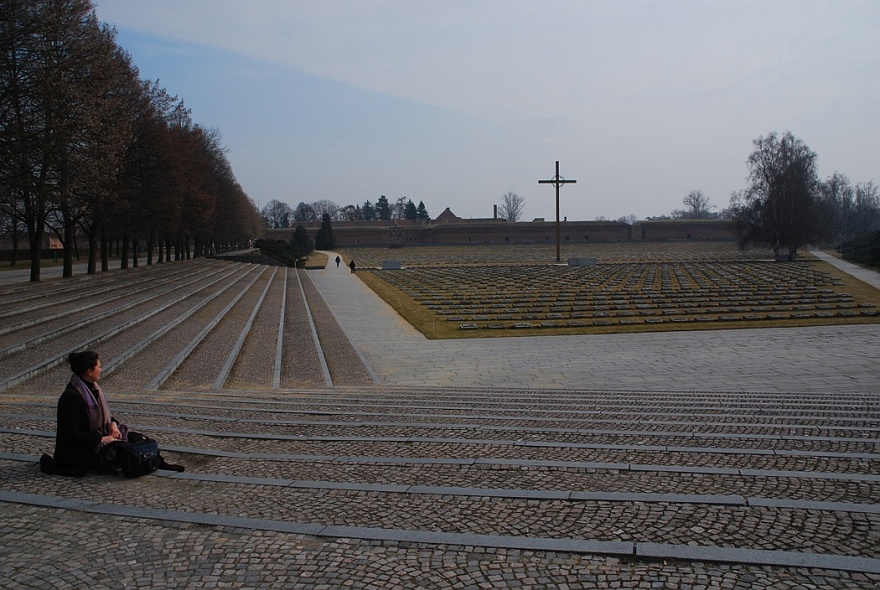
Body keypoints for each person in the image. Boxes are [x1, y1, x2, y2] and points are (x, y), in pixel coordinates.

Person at [40, 350, 184, 476]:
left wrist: (113, 425)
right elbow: (70, 435)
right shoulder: (71, 396)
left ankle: (156, 461)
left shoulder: (92, 389)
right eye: (98, 366)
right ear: (89, 371)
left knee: (136, 438)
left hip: (96, 439)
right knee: (123, 449)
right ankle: (146, 463)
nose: (101, 369)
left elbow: (103, 417)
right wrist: (101, 440)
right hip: (79, 454)